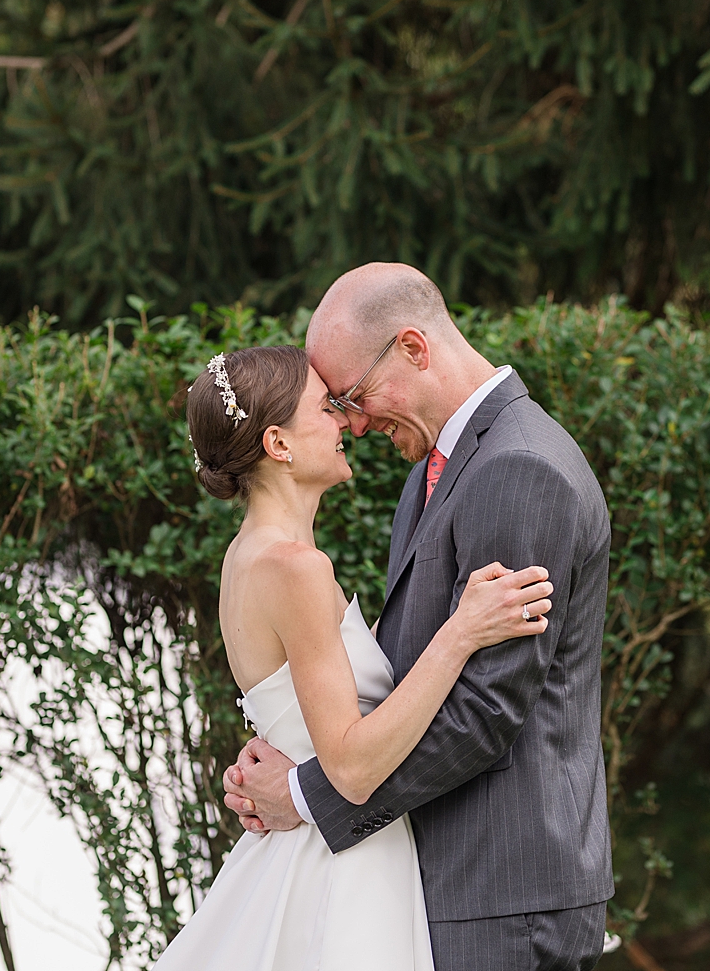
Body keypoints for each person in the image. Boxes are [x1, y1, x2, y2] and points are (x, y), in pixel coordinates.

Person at [223, 264, 614, 970]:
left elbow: (485, 712)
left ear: (413, 347)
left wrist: (306, 797)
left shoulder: (518, 467)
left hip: (500, 890)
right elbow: (401, 675)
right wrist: (297, 754)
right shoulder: (436, 471)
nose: (357, 422)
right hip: (444, 881)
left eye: (355, 395)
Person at [153, 343, 554, 971]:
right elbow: (352, 766)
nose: (347, 421)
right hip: (343, 868)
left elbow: (302, 721)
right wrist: (463, 630)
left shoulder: (246, 557)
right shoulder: (295, 569)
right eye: (326, 407)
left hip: (321, 845)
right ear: (279, 444)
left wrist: (283, 772)